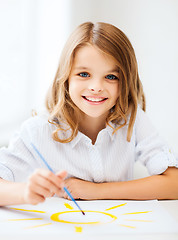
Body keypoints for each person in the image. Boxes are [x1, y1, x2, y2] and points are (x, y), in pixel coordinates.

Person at [0, 22, 178, 206]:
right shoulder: (37, 130)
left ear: (125, 82)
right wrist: (25, 192)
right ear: (66, 77)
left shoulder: (132, 119)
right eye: (84, 74)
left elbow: (174, 183)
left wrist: (96, 191)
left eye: (111, 77)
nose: (96, 87)